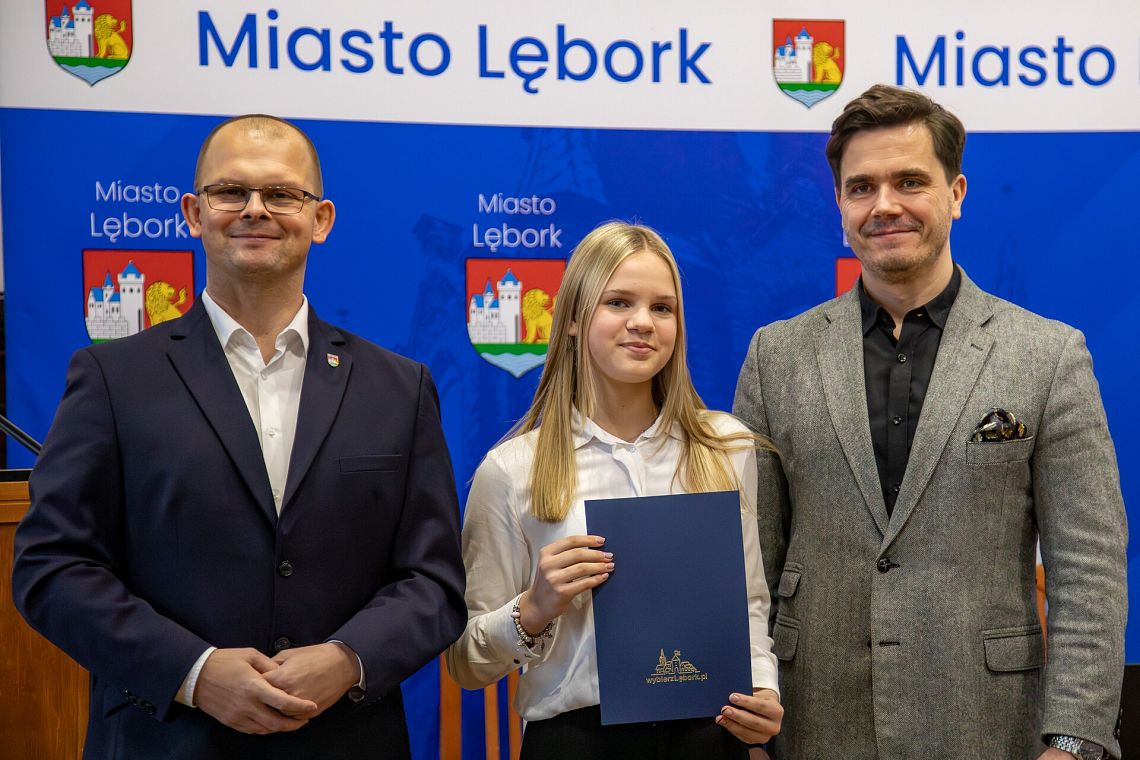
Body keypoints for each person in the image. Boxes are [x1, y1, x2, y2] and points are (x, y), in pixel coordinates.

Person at [12, 114, 466, 759]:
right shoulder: (114, 379)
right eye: (231, 192)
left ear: (321, 219)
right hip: (167, 742)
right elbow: (51, 567)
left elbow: (435, 581)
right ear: (194, 213)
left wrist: (348, 658)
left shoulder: (399, 388)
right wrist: (194, 673)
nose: (256, 209)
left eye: (281, 194)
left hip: (344, 741)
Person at [733, 84, 1127, 759]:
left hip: (989, 727)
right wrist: (747, 736)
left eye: (909, 181)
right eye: (862, 187)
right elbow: (748, 569)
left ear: (957, 193)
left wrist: (1072, 740)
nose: (884, 204)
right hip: (816, 725)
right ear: (840, 205)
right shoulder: (777, 356)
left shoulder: (1048, 355)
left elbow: (1089, 569)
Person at [446, 221, 783, 759]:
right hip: (576, 741)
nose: (642, 322)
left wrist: (762, 687)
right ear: (574, 318)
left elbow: (749, 602)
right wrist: (533, 608)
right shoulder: (512, 471)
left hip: (707, 735)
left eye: (662, 307)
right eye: (619, 302)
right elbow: (466, 663)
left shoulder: (726, 446)